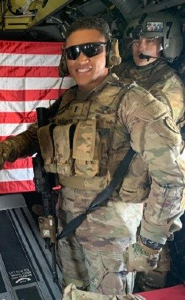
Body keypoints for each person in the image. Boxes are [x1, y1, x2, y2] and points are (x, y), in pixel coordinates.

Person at [0, 16, 185, 295]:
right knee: (72, 290)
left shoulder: (134, 102)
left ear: (110, 51)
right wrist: (0, 152)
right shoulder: (69, 99)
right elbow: (36, 134)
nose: (81, 58)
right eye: (72, 52)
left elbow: (171, 177)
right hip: (67, 221)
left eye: (91, 49)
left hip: (112, 230)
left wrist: (150, 241)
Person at [113, 12, 185, 292]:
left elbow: (154, 139)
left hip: (153, 180)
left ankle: (150, 292)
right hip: (122, 179)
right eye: (137, 39)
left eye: (151, 40)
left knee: (152, 246)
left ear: (169, 44)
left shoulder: (170, 86)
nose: (140, 45)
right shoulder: (123, 72)